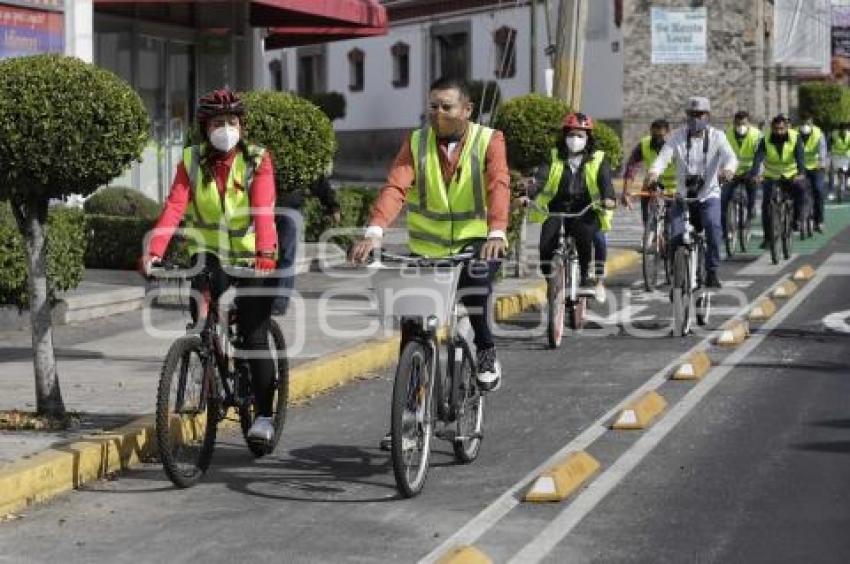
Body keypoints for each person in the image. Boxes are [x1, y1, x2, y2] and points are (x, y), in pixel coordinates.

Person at [350, 77, 510, 391]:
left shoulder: (489, 140)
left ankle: (487, 349)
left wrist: (496, 232)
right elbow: (396, 187)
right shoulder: (416, 142)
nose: (439, 113)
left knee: (475, 288)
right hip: (427, 250)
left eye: (447, 107)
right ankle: (411, 410)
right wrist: (374, 231)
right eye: (433, 106)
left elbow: (499, 186)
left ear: (467, 109)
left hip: (475, 244)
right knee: (412, 324)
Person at [141, 89, 280, 443]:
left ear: (241, 125)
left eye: (232, 122)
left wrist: (265, 252)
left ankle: (264, 415)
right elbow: (175, 206)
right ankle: (207, 366)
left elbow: (263, 211)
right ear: (205, 128)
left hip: (253, 260)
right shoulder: (190, 160)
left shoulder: (257, 160)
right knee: (202, 320)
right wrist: (154, 250)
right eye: (218, 122)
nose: (226, 128)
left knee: (253, 336)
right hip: (207, 257)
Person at [522, 112, 616, 301]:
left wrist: (609, 198)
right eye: (571, 135)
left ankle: (585, 278)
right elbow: (540, 178)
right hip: (556, 207)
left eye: (580, 135)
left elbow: (606, 182)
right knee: (545, 245)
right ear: (564, 136)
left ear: (588, 138)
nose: (575, 139)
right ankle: (552, 281)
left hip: (585, 208)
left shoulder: (598, 158)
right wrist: (527, 194)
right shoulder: (554, 156)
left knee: (586, 236)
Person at [646, 96, 737, 289]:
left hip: (708, 195)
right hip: (683, 197)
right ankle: (676, 277)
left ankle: (712, 270)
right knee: (675, 236)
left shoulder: (717, 136)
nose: (696, 118)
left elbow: (731, 158)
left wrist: (728, 170)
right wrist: (654, 173)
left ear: (708, 116)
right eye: (692, 114)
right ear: (687, 116)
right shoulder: (676, 137)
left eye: (700, 114)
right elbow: (663, 158)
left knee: (713, 227)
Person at [273, 172, 340, 315]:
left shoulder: (298, 156)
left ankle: (279, 302)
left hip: (290, 208)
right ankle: (252, 299)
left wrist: (331, 205)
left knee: (286, 254)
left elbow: (315, 176)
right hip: (261, 205)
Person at [749, 114, 807, 245]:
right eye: (776, 129)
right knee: (766, 205)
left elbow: (800, 157)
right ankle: (768, 238)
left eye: (782, 128)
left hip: (791, 174)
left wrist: (801, 173)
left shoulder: (795, 137)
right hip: (772, 175)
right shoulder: (765, 139)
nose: (779, 132)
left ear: (786, 127)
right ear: (772, 128)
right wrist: (755, 174)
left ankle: (797, 220)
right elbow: (758, 158)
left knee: (801, 190)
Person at [621, 119, 677, 223]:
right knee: (648, 218)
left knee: (673, 226)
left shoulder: (677, 145)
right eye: (654, 136)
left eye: (661, 136)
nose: (657, 140)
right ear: (651, 132)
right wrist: (626, 192)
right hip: (652, 185)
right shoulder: (644, 144)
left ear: (668, 134)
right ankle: (648, 233)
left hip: (675, 189)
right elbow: (631, 168)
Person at [721, 111, 761, 240]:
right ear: (733, 123)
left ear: (748, 123)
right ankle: (726, 230)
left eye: (743, 123)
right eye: (738, 123)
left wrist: (757, 174)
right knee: (723, 199)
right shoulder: (727, 134)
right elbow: (720, 155)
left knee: (751, 194)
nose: (740, 126)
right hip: (731, 172)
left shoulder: (756, 135)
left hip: (750, 171)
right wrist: (721, 171)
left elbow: (761, 156)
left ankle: (749, 217)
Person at [796, 114, 827, 232]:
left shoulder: (819, 134)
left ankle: (819, 221)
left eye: (808, 124)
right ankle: (797, 219)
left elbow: (823, 150)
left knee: (818, 190)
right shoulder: (794, 133)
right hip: (800, 168)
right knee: (796, 191)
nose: (805, 126)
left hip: (816, 167)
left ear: (812, 124)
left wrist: (822, 162)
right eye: (803, 124)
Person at [830, 122, 850, 201]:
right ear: (839, 130)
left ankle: (848, 181)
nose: (844, 131)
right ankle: (836, 190)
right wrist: (830, 151)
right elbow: (830, 144)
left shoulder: (849, 135)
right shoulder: (834, 135)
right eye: (842, 130)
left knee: (847, 170)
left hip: (846, 156)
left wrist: (848, 153)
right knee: (837, 173)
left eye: (845, 130)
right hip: (836, 156)